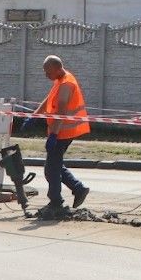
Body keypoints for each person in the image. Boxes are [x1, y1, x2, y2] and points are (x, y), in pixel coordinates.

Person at [28, 55, 91, 215]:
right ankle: (78, 188)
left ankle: (56, 202)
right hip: (60, 131)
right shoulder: (60, 80)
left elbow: (62, 111)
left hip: (64, 132)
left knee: (51, 169)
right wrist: (35, 115)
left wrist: (54, 135)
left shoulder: (66, 83)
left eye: (47, 71)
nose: (46, 75)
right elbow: (49, 99)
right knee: (54, 166)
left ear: (57, 68)